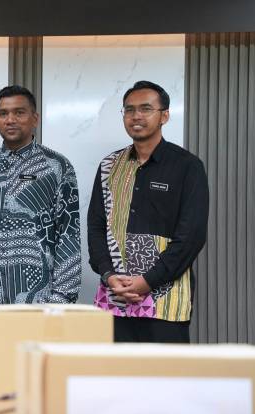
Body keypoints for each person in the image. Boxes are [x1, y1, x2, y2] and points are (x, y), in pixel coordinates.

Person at [0, 85, 81, 337]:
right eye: (3, 113)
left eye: (19, 112)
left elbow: (69, 235)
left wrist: (61, 300)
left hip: (40, 302)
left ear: (35, 119)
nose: (10, 119)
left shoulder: (56, 167)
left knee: (37, 363)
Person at [87, 80, 209, 342]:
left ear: (164, 116)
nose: (136, 116)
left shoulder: (187, 166)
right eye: (129, 110)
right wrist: (108, 275)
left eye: (146, 108)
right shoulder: (109, 165)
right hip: (114, 298)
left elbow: (191, 236)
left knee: (165, 369)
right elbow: (96, 226)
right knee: (112, 368)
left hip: (165, 303)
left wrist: (148, 281)